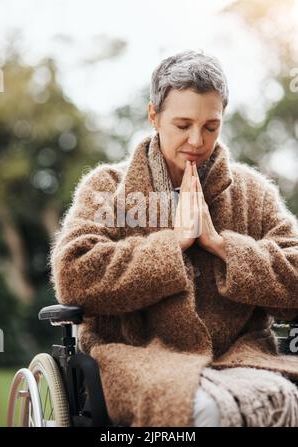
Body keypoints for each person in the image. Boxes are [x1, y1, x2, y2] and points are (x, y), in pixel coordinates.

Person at [50, 49, 298, 427]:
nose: (197, 141)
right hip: (136, 356)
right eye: (182, 125)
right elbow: (74, 275)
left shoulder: (254, 193)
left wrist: (222, 245)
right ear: (154, 116)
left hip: (239, 355)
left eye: (211, 126)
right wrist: (173, 243)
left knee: (281, 397)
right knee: (205, 410)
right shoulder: (108, 188)